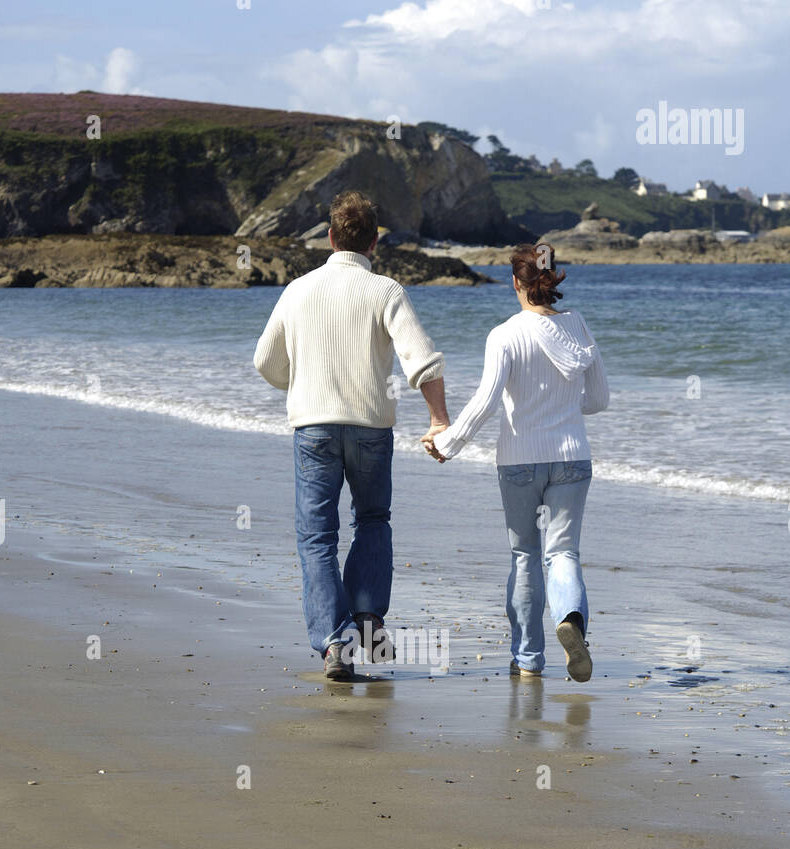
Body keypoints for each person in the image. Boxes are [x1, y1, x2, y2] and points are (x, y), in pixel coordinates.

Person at [253, 190, 449, 680]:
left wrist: (301, 385)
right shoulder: (385, 290)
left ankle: (334, 643)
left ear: (330, 237)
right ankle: (368, 622)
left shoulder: (297, 290)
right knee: (373, 520)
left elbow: (265, 361)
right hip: (370, 428)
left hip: (313, 427)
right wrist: (439, 421)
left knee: (317, 536)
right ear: (374, 241)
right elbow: (423, 361)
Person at [423, 243, 608, 682]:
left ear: (515, 283)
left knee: (525, 555)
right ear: (553, 278)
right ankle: (571, 620)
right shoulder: (578, 326)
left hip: (520, 460)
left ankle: (528, 659)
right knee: (563, 552)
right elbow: (599, 399)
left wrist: (447, 443)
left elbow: (486, 402)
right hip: (572, 458)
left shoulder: (504, 334)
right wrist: (564, 407)